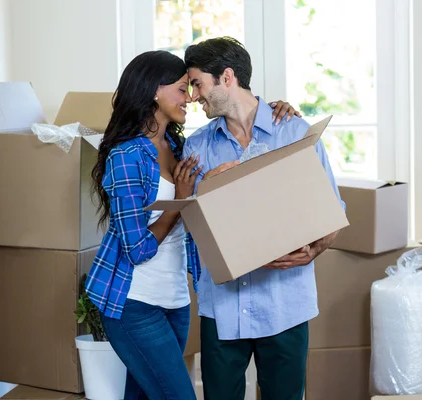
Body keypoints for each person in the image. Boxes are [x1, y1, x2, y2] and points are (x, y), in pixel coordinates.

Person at [84, 50, 300, 400]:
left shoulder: (179, 145)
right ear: (155, 91)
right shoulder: (125, 156)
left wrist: (275, 110)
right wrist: (180, 202)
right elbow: (135, 249)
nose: (192, 97)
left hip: (176, 300)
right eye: (183, 89)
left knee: (142, 394)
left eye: (192, 87)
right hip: (133, 302)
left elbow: (212, 203)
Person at [183, 37, 346, 400]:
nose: (194, 95)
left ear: (227, 77)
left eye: (198, 83)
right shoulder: (197, 147)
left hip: (284, 304)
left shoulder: (295, 133)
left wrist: (314, 250)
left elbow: (332, 210)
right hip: (222, 307)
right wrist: (207, 188)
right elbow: (191, 228)